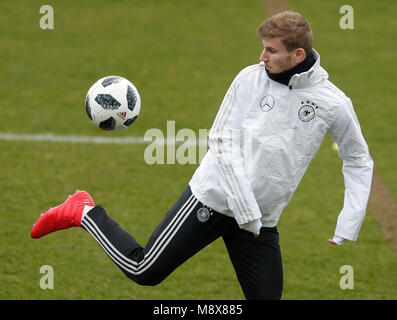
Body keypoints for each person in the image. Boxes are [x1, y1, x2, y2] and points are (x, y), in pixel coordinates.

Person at [30, 11, 373, 300]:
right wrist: (247, 212)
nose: (261, 57)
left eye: (271, 51)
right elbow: (221, 141)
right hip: (212, 199)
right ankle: (84, 211)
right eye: (262, 48)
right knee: (144, 270)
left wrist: (348, 222)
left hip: (260, 221)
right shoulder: (249, 80)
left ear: (298, 55)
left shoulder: (333, 104)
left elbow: (358, 158)